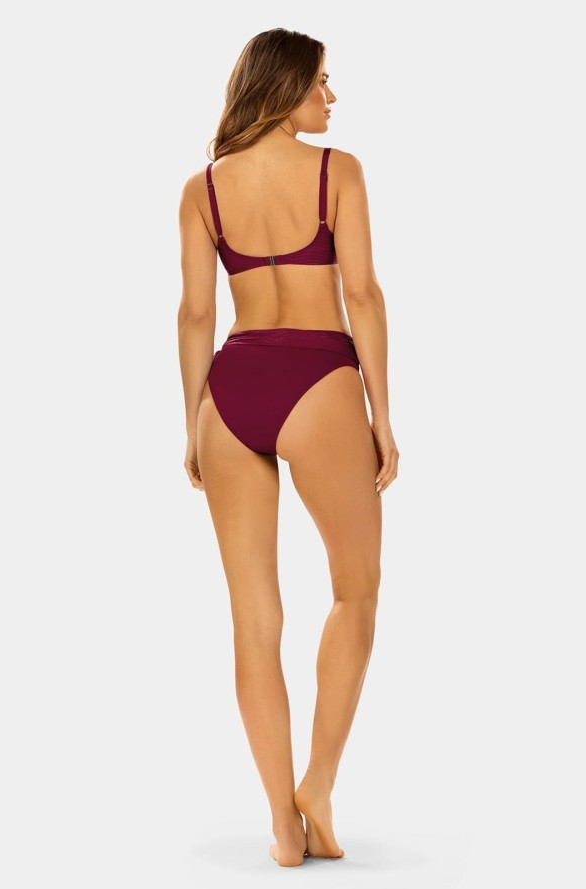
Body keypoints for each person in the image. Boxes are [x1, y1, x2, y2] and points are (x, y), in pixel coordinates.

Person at [177, 27, 399, 868]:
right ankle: (316, 786)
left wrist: (191, 420)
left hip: (229, 389)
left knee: (253, 619)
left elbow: (196, 314)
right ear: (281, 89)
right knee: (356, 590)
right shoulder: (337, 172)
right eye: (318, 84)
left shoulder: (202, 189)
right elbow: (362, 293)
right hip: (317, 380)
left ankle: (281, 824)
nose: (330, 100)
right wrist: (382, 413)